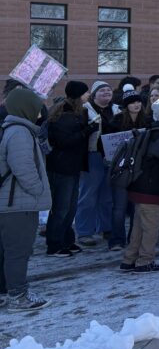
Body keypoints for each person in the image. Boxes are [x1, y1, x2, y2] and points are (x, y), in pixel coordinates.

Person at [0, 88, 51, 310]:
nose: (41, 111)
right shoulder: (20, 132)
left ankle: (8, 292)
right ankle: (18, 296)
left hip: (12, 202)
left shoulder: (16, 129)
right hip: (17, 203)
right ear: (26, 107)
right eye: (37, 106)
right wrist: (38, 189)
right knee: (18, 252)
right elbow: (23, 168)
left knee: (9, 251)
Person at [120, 99, 159, 273]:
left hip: (140, 186)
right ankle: (145, 261)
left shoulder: (153, 130)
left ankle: (129, 259)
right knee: (151, 227)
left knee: (138, 225)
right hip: (150, 188)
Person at [45, 81, 92, 257]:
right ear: (78, 95)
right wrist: (86, 131)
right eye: (85, 93)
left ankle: (67, 240)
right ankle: (54, 244)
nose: (88, 96)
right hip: (61, 167)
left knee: (71, 207)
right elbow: (65, 141)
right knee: (61, 207)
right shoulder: (63, 114)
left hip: (72, 166)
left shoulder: (77, 112)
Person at [76, 81, 118, 247]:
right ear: (94, 94)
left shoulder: (117, 109)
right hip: (92, 155)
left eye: (109, 89)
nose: (106, 92)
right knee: (88, 195)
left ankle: (106, 227)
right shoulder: (85, 109)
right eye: (102, 90)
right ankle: (85, 232)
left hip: (112, 156)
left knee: (107, 196)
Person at [108, 89, 147, 252]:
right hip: (122, 170)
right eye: (132, 102)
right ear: (126, 105)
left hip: (140, 170)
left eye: (138, 101)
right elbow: (107, 145)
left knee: (136, 208)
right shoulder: (116, 121)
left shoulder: (147, 120)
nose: (136, 104)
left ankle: (134, 239)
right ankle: (116, 240)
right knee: (119, 207)